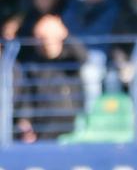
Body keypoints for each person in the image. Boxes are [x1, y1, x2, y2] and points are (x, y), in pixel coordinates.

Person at [14, 12, 87, 141]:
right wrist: (25, 120)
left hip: (67, 118)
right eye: (42, 38)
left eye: (49, 37)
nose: (46, 42)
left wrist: (64, 33)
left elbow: (84, 57)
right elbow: (28, 96)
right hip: (41, 120)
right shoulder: (34, 64)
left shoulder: (70, 58)